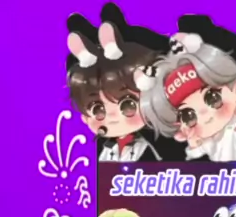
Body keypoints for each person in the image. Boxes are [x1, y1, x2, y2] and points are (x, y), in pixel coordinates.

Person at [134, 33, 236, 161]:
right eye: (188, 116)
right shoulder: (205, 138)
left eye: (213, 98)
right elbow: (195, 154)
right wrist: (194, 143)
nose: (204, 114)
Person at [67, 21, 165, 161]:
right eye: (97, 110)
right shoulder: (101, 149)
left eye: (128, 105)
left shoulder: (156, 146)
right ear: (85, 117)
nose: (112, 116)